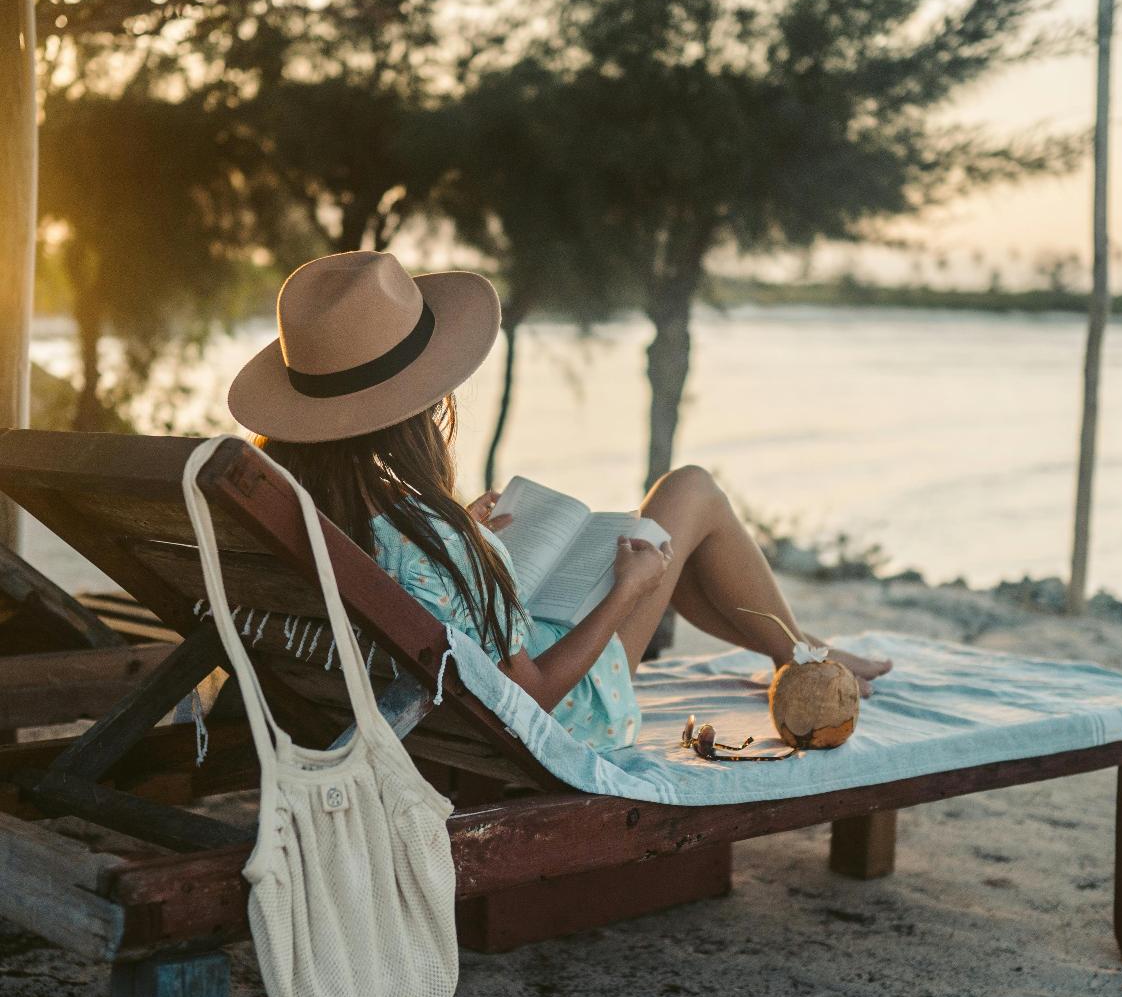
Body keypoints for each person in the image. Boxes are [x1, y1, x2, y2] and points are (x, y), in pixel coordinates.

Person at [228, 251, 890, 751]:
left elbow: (413, 588)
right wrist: (626, 593)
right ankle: (797, 654)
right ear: (422, 405)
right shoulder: (424, 536)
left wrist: (462, 532)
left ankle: (799, 646)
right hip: (561, 713)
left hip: (400, 712)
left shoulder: (302, 511)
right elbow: (534, 696)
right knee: (687, 494)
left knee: (668, 534)